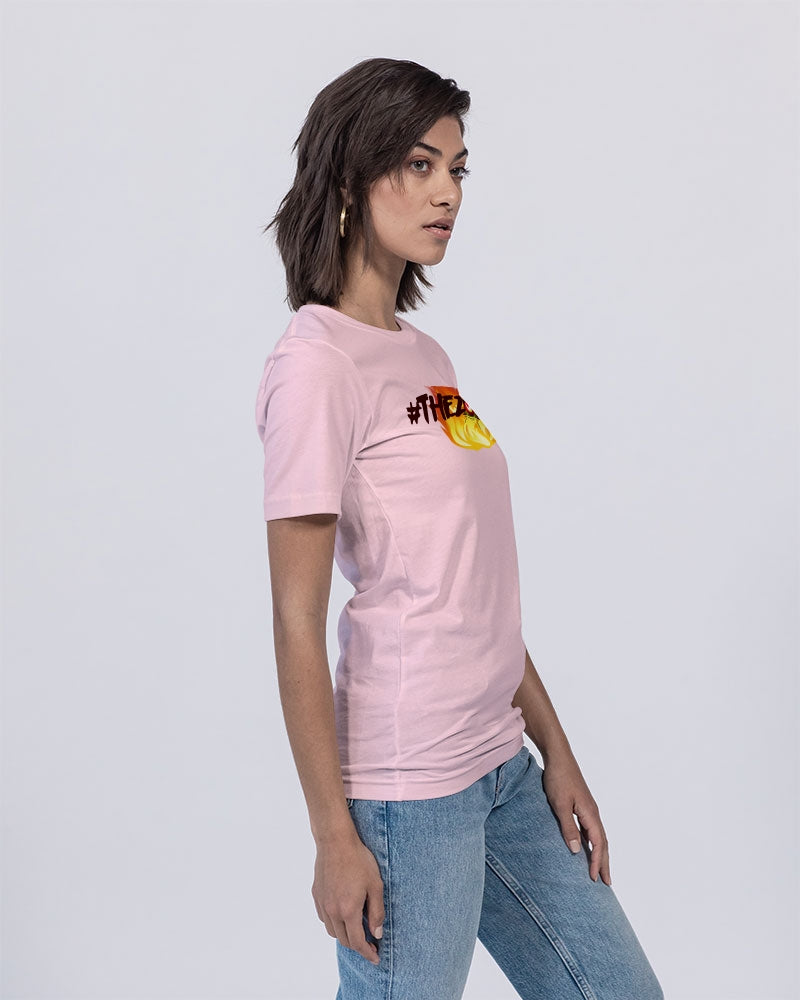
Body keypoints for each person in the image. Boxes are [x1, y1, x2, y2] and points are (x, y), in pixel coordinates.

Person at [254, 57, 664, 1000]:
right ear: (349, 179)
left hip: (501, 763)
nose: (449, 193)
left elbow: (469, 584)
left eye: (458, 168)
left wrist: (556, 751)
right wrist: (333, 835)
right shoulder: (315, 367)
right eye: (419, 164)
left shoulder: (423, 356)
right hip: (410, 788)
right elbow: (294, 619)